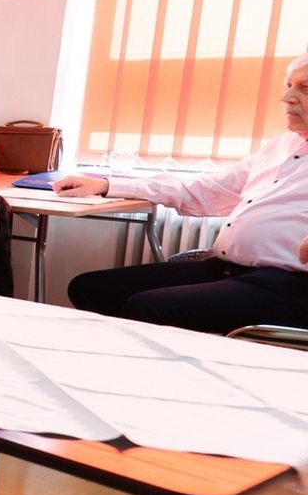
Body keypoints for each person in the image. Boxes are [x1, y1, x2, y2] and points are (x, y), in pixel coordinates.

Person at [57, 54, 308, 332]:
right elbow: (203, 190)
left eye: (304, 88)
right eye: (287, 85)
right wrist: (107, 185)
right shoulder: (281, 145)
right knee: (90, 288)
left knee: (147, 308)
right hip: (226, 269)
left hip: (290, 287)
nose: (287, 97)